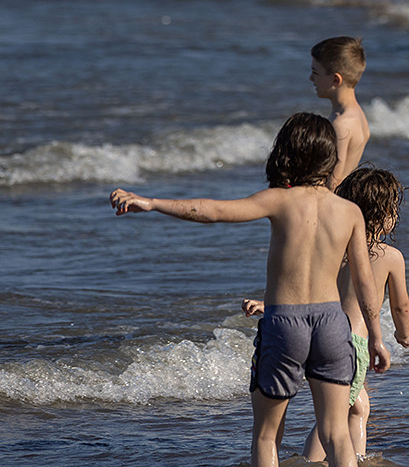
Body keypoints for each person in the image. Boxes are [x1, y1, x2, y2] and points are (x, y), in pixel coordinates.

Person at [110, 112, 391, 467]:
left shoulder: (279, 200)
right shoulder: (350, 211)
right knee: (336, 432)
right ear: (330, 158)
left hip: (285, 322)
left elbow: (212, 211)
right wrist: (377, 337)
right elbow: (365, 282)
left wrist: (151, 203)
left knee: (266, 434)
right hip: (332, 324)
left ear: (288, 153)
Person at [246, 165, 409, 462]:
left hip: (320, 333)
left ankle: (349, 457)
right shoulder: (391, 257)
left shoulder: (337, 250)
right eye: (394, 210)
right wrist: (404, 333)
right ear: (385, 212)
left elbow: (305, 284)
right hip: (352, 346)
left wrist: (267, 303)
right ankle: (321, 461)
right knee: (335, 421)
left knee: (356, 405)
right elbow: (400, 305)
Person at [310, 36, 371, 191]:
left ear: (336, 80)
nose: (311, 78)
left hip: (335, 202)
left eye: (315, 72)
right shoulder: (358, 114)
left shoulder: (341, 123)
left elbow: (334, 181)